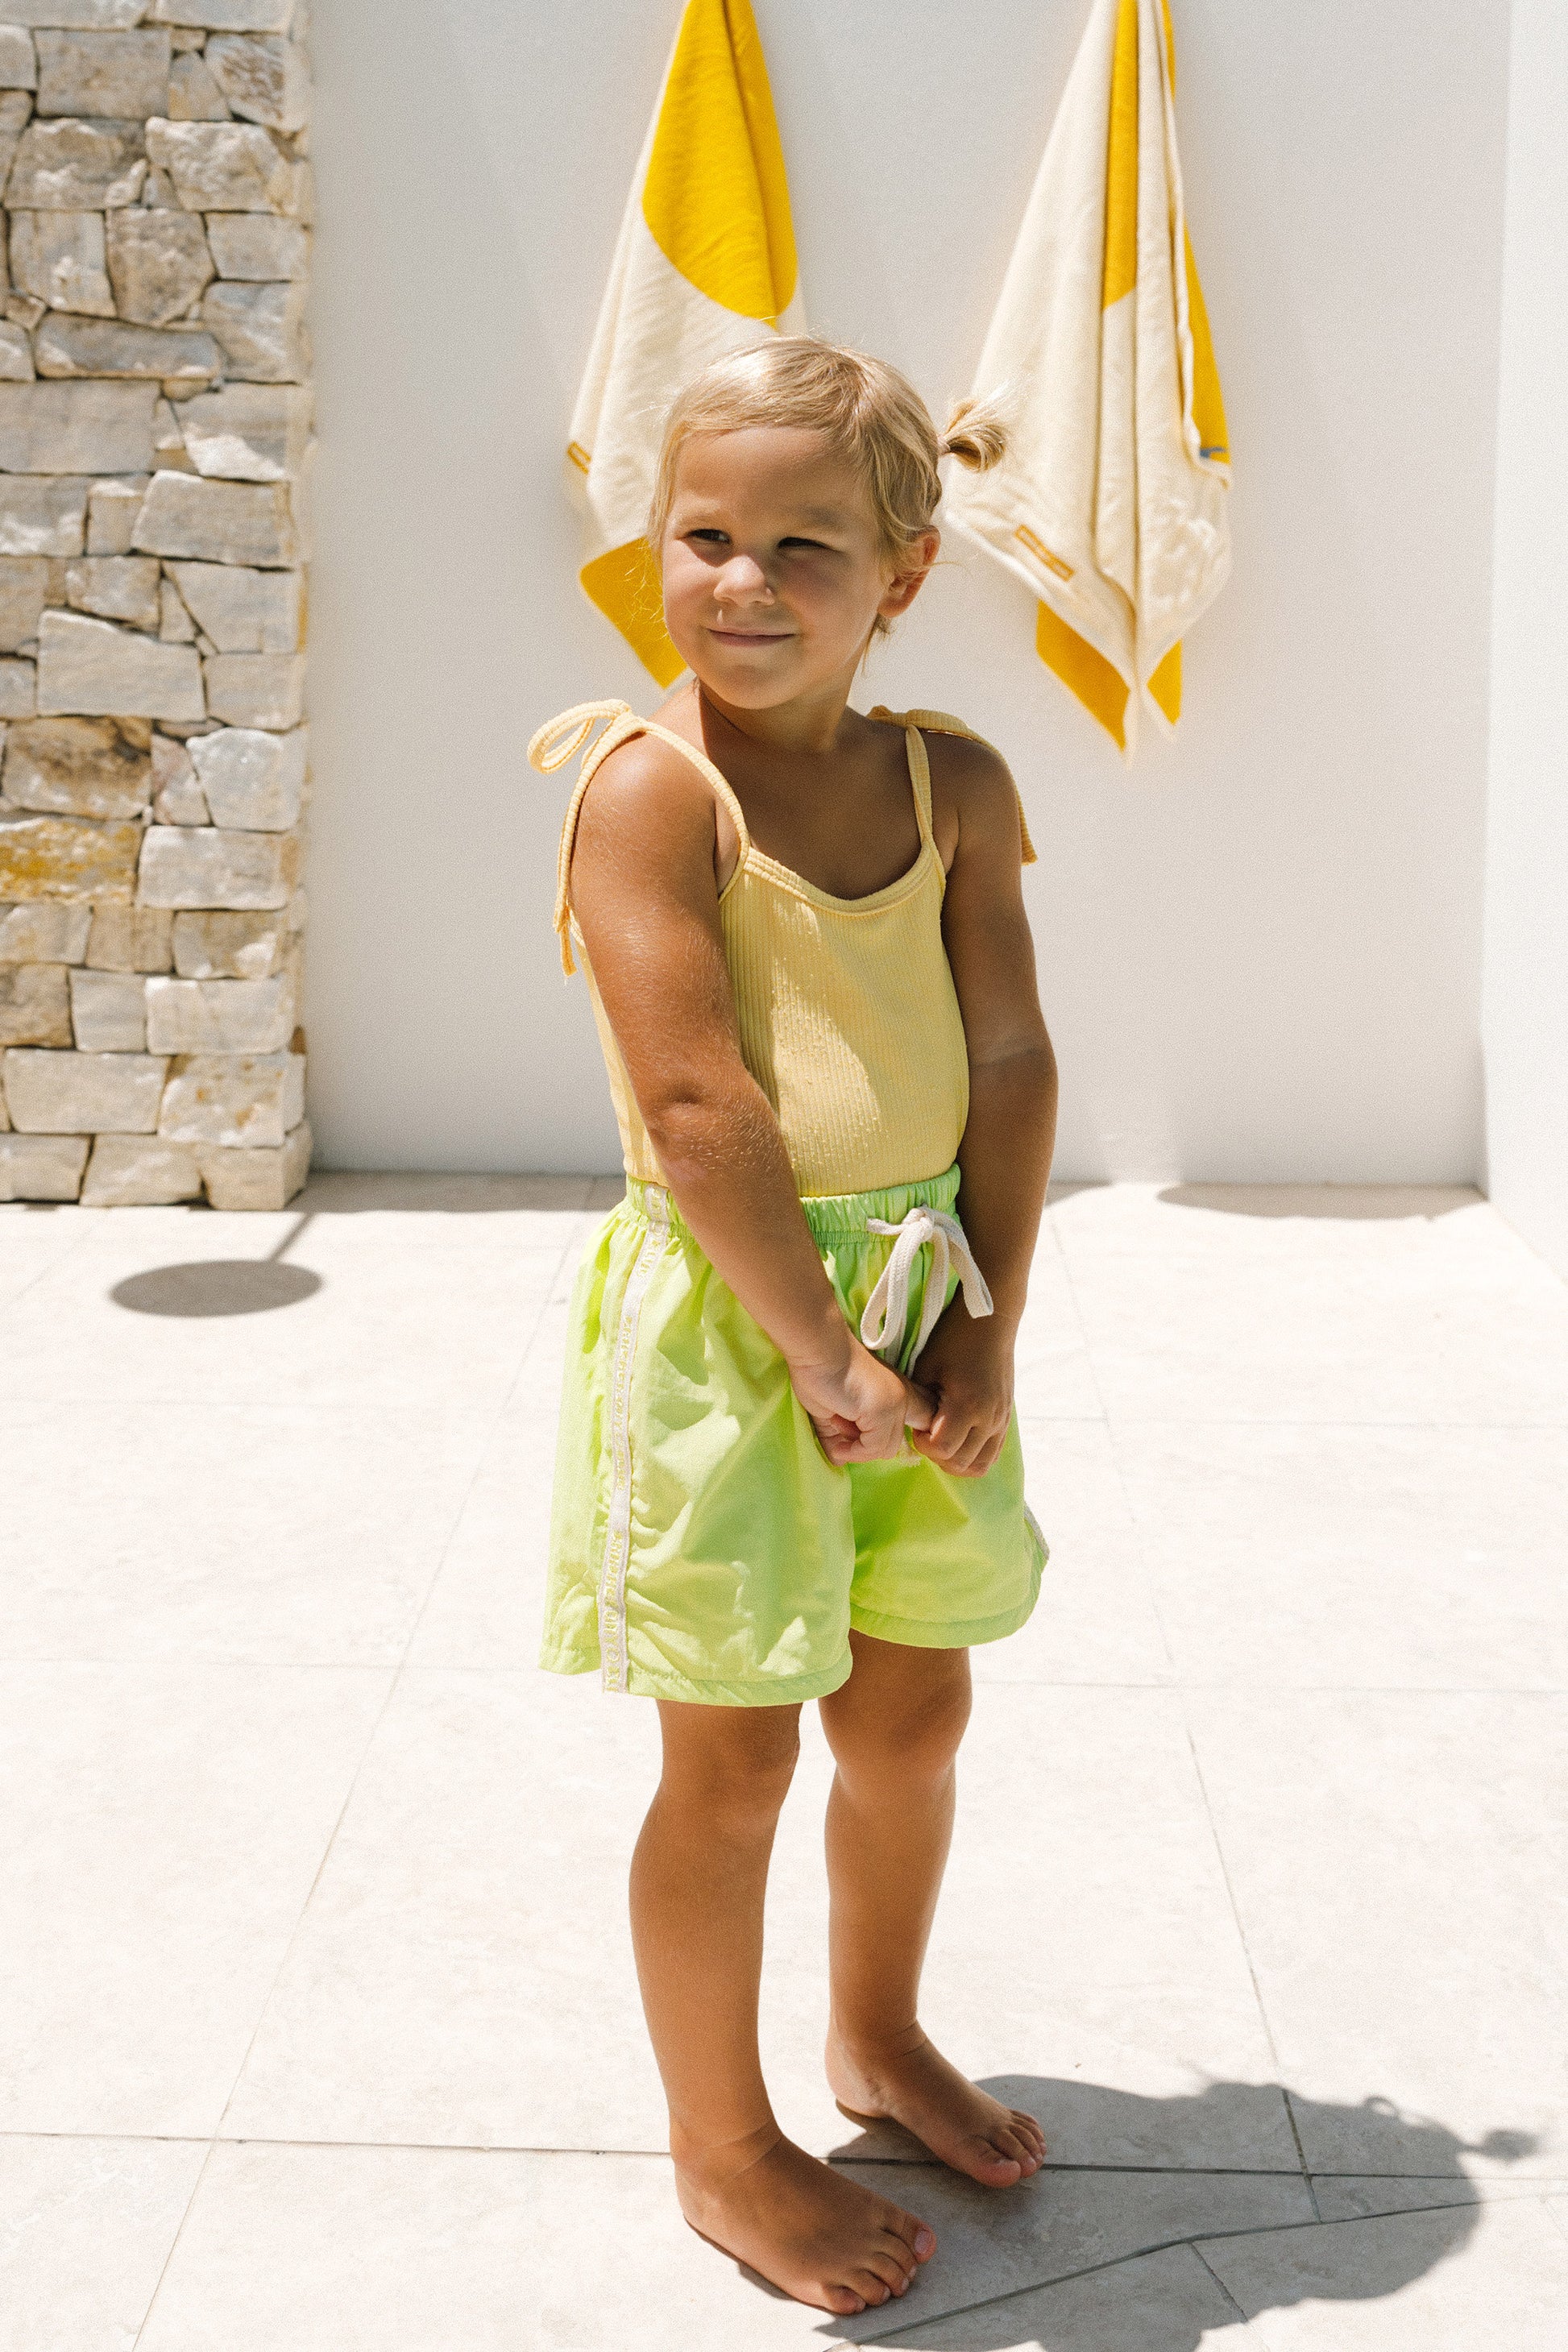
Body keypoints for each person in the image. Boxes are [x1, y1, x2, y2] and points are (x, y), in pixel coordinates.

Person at [529, 337, 1058, 2318]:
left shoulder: (958, 784)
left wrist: (978, 1326)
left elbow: (1006, 1051)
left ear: (903, 573)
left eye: (801, 547)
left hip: (923, 1296)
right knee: (733, 1758)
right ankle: (721, 2140)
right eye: (704, 536)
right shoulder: (645, 795)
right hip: (743, 1338)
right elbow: (698, 1106)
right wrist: (818, 1353)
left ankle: (876, 2031)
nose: (740, 582)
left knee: (912, 1707)